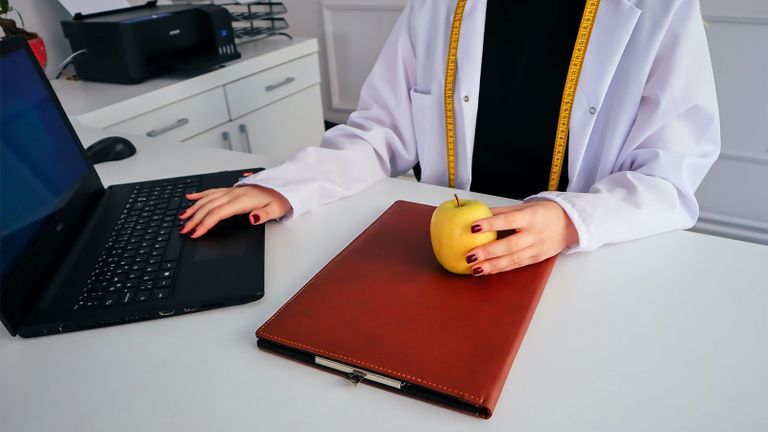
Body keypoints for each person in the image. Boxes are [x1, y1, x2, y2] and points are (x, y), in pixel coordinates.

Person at [179, 0, 720, 276]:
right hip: (440, 258)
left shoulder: (661, 10)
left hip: (582, 262)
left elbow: (669, 178)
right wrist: (287, 186)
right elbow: (381, 132)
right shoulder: (440, 6)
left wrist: (569, 222)